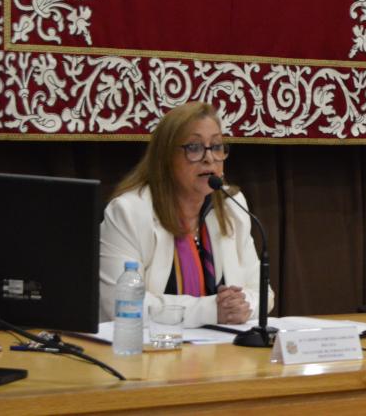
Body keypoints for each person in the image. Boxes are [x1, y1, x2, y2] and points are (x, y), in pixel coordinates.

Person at [99, 101, 274, 327]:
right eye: (194, 147)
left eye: (217, 146)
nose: (209, 158)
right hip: (147, 353)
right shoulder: (129, 212)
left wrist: (238, 307)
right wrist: (211, 311)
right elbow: (121, 303)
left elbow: (263, 294)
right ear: (165, 159)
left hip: (220, 353)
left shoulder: (232, 205)